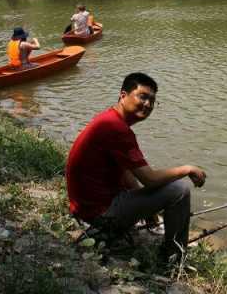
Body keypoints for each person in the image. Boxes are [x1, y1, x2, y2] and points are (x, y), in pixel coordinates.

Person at [65, 72, 206, 261]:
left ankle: (170, 247)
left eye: (152, 100)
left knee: (165, 190)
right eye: (143, 97)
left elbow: (124, 170)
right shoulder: (116, 128)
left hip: (84, 208)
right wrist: (187, 169)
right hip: (97, 215)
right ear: (123, 96)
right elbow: (150, 179)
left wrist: (147, 208)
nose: (148, 104)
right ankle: (174, 257)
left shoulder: (110, 119)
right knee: (179, 190)